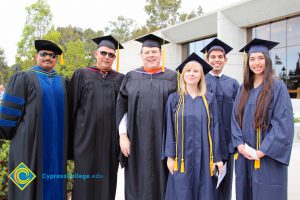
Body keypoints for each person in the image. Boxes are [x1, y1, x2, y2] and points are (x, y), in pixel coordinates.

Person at [0, 40, 68, 200]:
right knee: (24, 187)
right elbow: (8, 115)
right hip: (28, 147)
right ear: (36, 56)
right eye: (44, 54)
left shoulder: (63, 82)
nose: (48, 58)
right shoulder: (23, 78)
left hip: (56, 149)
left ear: (56, 59)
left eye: (52, 55)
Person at [231, 38, 294, 200]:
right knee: (245, 191)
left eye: (260, 58)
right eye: (252, 59)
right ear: (247, 63)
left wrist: (263, 150)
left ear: (267, 61)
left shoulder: (277, 87)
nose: (256, 63)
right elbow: (235, 120)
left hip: (267, 157)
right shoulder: (242, 89)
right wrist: (239, 144)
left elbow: (283, 123)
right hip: (245, 155)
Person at [116, 34, 177, 200]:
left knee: (164, 179)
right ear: (141, 55)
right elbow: (122, 108)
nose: (151, 55)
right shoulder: (131, 76)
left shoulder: (172, 77)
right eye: (147, 52)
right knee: (138, 180)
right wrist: (123, 136)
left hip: (164, 139)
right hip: (136, 138)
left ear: (160, 54)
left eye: (154, 51)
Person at [69, 35, 125, 200]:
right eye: (103, 53)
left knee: (107, 180)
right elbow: (72, 108)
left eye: (111, 55)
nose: (107, 57)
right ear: (96, 53)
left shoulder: (120, 79)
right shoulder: (82, 74)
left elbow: (124, 111)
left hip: (110, 141)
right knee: (85, 179)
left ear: (114, 57)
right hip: (85, 138)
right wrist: (71, 142)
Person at [163, 52, 224, 200]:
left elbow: (216, 128)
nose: (191, 74)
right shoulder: (174, 99)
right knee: (181, 190)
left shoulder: (209, 99)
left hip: (204, 155)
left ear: (201, 76)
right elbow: (168, 128)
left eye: (196, 71)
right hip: (181, 156)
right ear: (183, 75)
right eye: (188, 71)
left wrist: (217, 157)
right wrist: (170, 156)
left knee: (204, 191)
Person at [201, 38, 240, 200]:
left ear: (225, 60)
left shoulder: (233, 83)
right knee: (205, 181)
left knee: (225, 181)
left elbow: (239, 114)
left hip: (227, 140)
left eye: (220, 57)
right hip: (204, 139)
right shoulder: (200, 80)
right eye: (213, 57)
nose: (216, 60)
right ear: (207, 59)